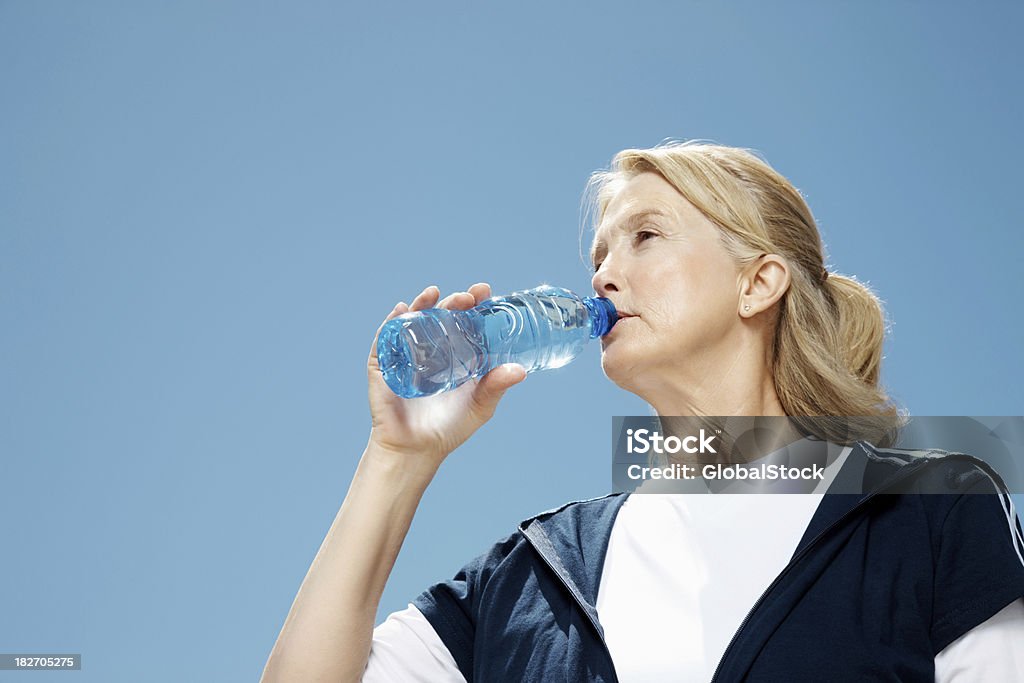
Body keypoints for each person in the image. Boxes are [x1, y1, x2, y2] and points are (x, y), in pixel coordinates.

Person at [261, 142, 1024, 682]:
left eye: (644, 237)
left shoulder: (930, 511)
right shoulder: (531, 572)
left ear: (757, 283)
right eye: (597, 256)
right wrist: (397, 460)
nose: (603, 276)